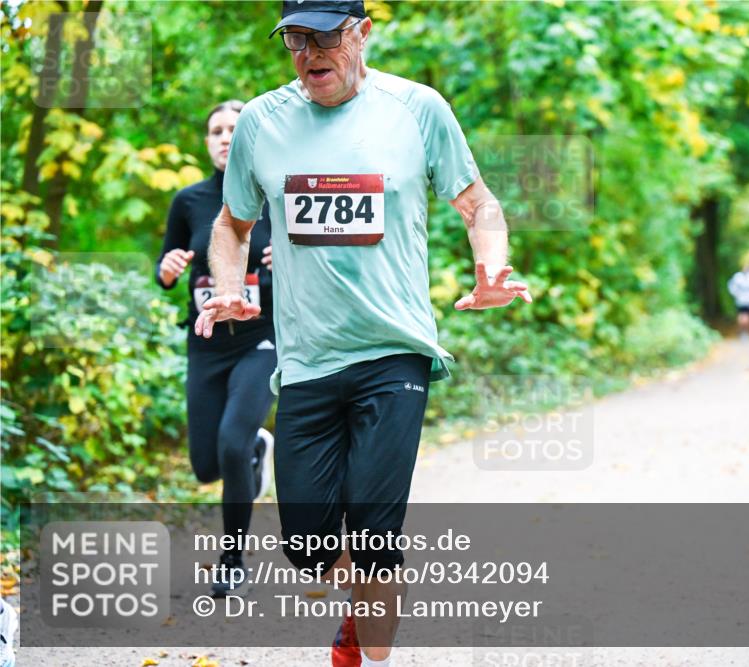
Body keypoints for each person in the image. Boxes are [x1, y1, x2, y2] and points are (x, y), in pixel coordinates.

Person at [192, 2, 532, 666]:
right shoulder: (262, 121)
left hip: (393, 349)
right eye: (295, 39)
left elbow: (478, 202)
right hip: (307, 360)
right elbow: (232, 223)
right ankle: (358, 595)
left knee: (376, 540)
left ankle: (364, 639)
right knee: (307, 547)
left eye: (325, 37)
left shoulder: (417, 109)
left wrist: (491, 267)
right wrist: (229, 289)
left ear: (363, 33)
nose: (309, 52)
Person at [155, 99, 277, 597]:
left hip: (262, 339)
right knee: (207, 466)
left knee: (230, 440)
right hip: (206, 344)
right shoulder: (189, 201)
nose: (226, 137)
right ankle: (256, 451)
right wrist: (167, 271)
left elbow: (320, 263)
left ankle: (232, 559)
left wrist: (288, 259)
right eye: (216, 131)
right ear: (206, 142)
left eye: (235, 128)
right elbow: (166, 262)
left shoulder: (278, 196)